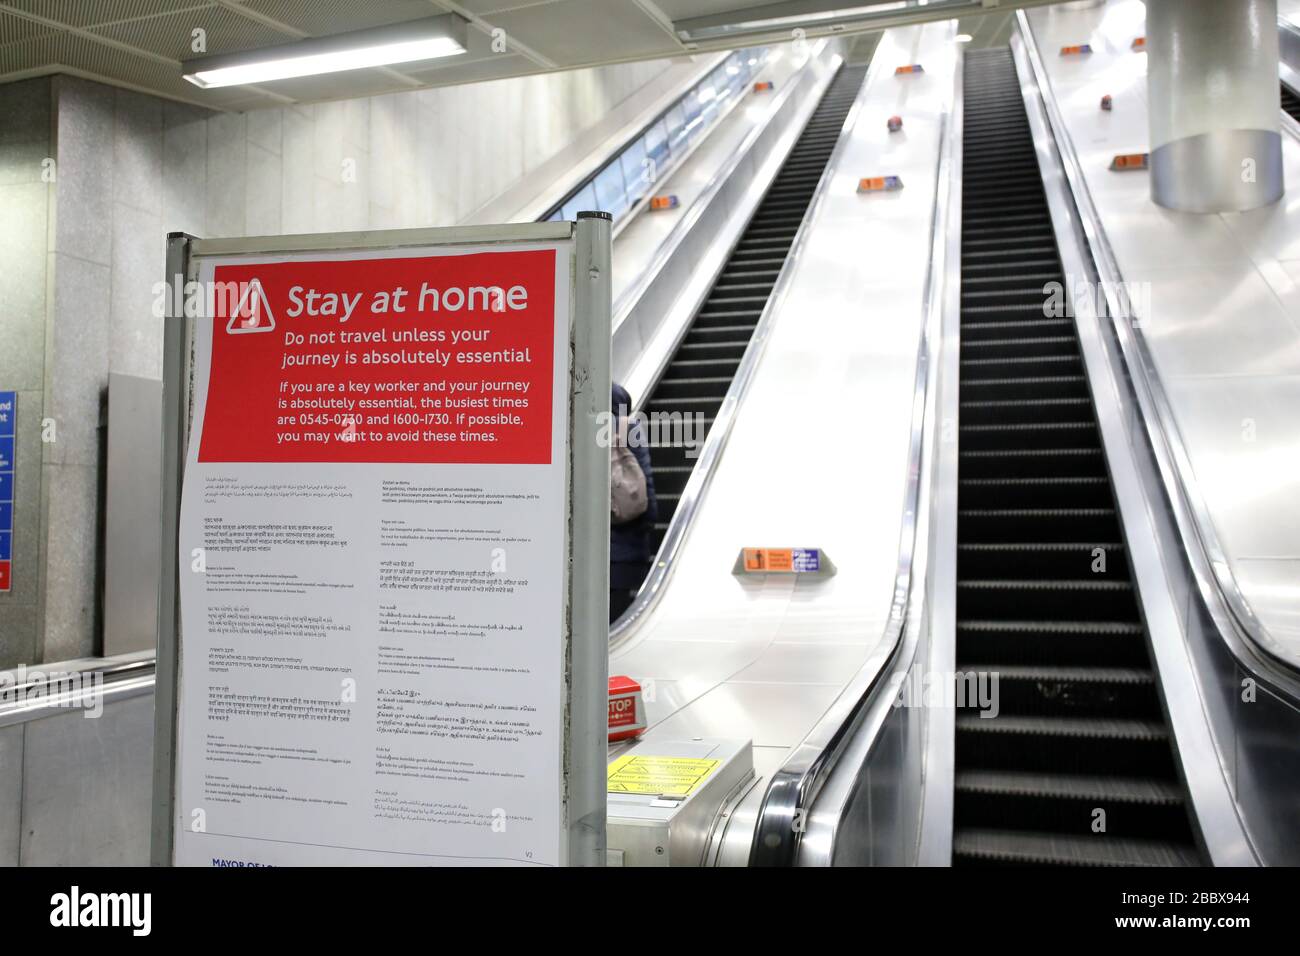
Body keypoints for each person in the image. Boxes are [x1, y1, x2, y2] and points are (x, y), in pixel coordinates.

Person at [610, 383, 657, 623]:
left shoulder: (574, 424)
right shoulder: (628, 426)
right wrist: (649, 524)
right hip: (626, 546)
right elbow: (643, 479)